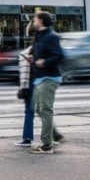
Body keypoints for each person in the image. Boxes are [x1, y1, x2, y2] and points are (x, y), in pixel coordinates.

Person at [28, 12, 65, 154]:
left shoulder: (51, 36)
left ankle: (47, 145)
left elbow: (59, 55)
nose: (33, 21)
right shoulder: (39, 35)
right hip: (40, 77)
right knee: (37, 108)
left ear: (41, 20)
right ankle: (55, 134)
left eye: (35, 19)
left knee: (45, 110)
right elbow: (41, 53)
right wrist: (33, 58)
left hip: (49, 78)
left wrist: (45, 62)